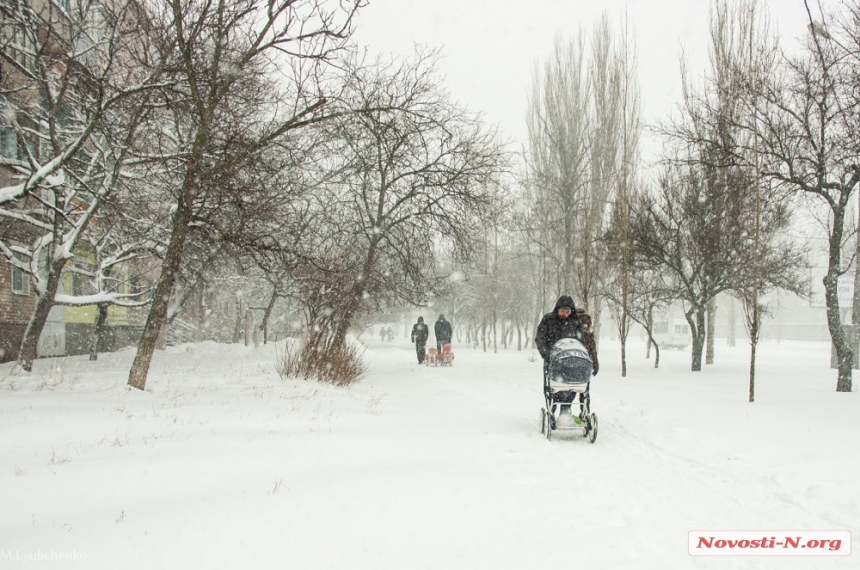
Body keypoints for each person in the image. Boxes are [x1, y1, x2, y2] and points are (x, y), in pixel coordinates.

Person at [535, 295, 598, 416]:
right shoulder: (548, 320)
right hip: (552, 359)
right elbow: (540, 338)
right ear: (557, 309)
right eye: (562, 311)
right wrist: (546, 354)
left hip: (570, 360)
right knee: (552, 387)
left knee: (571, 386)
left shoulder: (574, 322)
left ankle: (566, 409)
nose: (565, 314)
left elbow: (581, 340)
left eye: (567, 311)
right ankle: (551, 411)